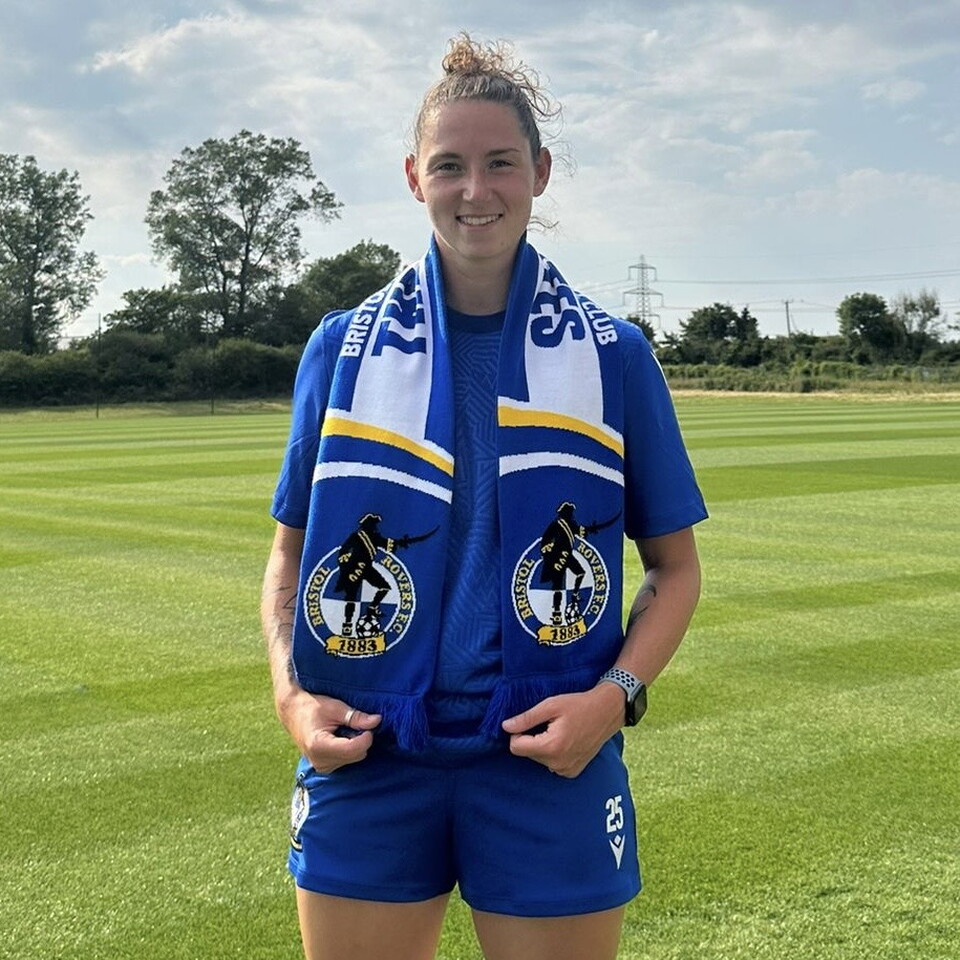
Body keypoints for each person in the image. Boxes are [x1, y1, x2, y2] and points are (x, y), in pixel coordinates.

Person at [261, 33, 707, 960]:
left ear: (540, 173)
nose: (476, 191)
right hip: (369, 747)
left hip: (549, 750)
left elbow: (675, 568)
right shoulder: (340, 349)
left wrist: (614, 698)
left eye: (501, 163)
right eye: (451, 166)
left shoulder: (612, 354)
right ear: (414, 176)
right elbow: (289, 558)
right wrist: (291, 701)